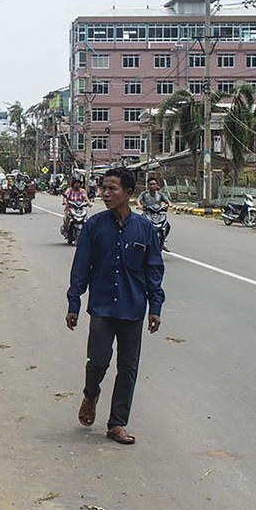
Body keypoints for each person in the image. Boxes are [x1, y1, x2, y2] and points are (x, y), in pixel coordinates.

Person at [65, 167, 165, 445]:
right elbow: (81, 268)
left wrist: (155, 307)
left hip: (133, 308)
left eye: (112, 189)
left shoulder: (145, 229)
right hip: (102, 307)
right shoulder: (94, 226)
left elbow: (154, 270)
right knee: (98, 361)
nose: (105, 194)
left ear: (128, 194)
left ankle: (117, 422)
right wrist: (74, 302)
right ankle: (90, 393)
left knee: (128, 367)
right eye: (103, 189)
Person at [138, 176, 172, 251]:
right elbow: (138, 200)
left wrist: (169, 204)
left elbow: (167, 201)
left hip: (158, 214)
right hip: (147, 214)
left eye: (154, 184)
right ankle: (142, 242)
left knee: (167, 226)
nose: (152, 186)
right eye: (150, 184)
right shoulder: (144, 194)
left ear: (157, 185)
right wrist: (139, 205)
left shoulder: (160, 194)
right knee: (139, 225)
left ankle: (163, 242)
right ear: (148, 185)